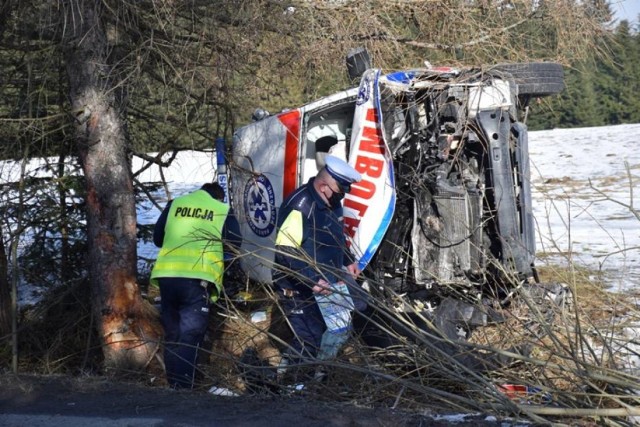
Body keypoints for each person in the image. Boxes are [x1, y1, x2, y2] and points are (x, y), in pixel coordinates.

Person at [272, 155, 363, 380]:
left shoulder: (332, 203)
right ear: (323, 187)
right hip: (298, 285)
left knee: (339, 328)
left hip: (328, 282)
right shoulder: (299, 205)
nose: (342, 196)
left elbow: (336, 237)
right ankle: (289, 384)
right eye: (340, 191)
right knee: (308, 337)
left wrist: (348, 259)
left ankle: (317, 377)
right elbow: (286, 252)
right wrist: (312, 280)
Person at [151, 182, 241, 389]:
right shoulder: (221, 209)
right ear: (219, 198)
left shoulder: (175, 204)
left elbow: (157, 238)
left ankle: (174, 385)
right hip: (196, 279)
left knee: (173, 333)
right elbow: (235, 242)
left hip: (168, 277)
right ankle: (184, 389)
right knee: (190, 334)